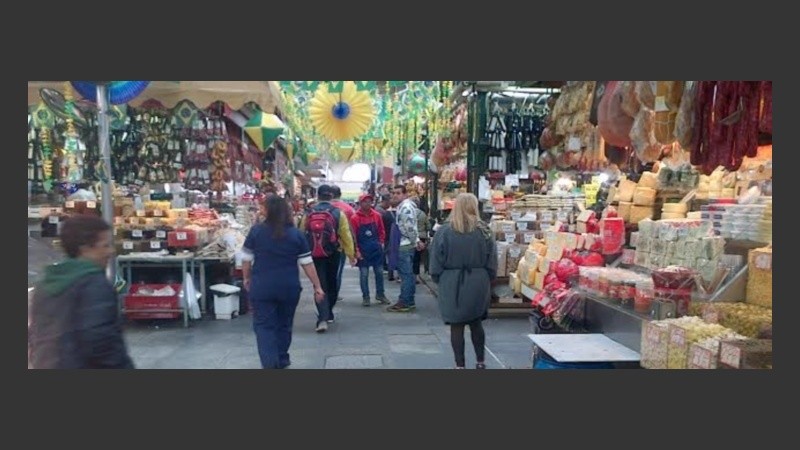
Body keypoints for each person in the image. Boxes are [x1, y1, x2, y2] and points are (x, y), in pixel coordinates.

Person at [28, 215, 134, 369]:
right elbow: (101, 342)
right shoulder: (94, 284)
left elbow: (35, 335)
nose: (111, 251)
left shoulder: (46, 282)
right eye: (105, 245)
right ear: (85, 248)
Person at [241, 196, 325, 368]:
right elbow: (307, 263)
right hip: (289, 287)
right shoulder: (296, 234)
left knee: (264, 326)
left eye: (263, 207)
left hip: (262, 286)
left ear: (269, 211)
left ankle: (270, 363)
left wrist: (246, 277)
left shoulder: (256, 231)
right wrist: (317, 286)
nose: (260, 210)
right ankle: (282, 359)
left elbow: (246, 259)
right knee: (284, 324)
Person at [429, 193, 498, 369]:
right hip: (478, 280)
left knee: (456, 325)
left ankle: (459, 365)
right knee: (476, 323)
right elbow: (492, 262)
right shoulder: (485, 231)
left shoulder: (444, 231)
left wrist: (440, 279)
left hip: (451, 281)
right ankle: (480, 361)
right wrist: (487, 278)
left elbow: (435, 262)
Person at [299, 185, 356, 331]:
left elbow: (301, 232)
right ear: (331, 196)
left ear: (318, 196)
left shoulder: (309, 212)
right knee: (332, 282)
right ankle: (328, 312)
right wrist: (351, 254)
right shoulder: (338, 213)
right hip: (333, 252)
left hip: (314, 254)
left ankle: (322, 317)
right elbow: (346, 235)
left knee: (319, 284)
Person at [387, 184, 423, 312]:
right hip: (406, 244)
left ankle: (405, 301)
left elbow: (410, 227)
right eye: (393, 193)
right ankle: (408, 300)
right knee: (408, 274)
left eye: (398, 193)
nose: (395, 195)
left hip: (405, 245)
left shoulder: (406, 207)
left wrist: (415, 241)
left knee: (406, 275)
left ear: (405, 194)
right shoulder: (403, 207)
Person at [350, 193, 389, 306]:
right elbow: (354, 236)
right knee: (364, 274)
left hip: (376, 249)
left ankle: (380, 295)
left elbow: (382, 231)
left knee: (380, 273)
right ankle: (366, 297)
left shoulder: (377, 216)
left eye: (369, 201)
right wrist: (356, 250)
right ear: (360, 203)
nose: (367, 203)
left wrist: (381, 242)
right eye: (365, 201)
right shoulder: (355, 218)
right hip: (363, 250)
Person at [330, 185, 356, 301]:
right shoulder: (348, 209)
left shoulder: (319, 207)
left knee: (322, 269)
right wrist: (352, 250)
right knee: (337, 270)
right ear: (340, 195)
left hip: (320, 245)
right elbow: (351, 230)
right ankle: (334, 294)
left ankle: (323, 292)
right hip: (339, 245)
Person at [375, 194, 396, 280]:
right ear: (385, 201)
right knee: (388, 254)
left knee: (388, 253)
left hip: (386, 236)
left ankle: (388, 270)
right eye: (389, 201)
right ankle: (386, 269)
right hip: (387, 236)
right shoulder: (382, 212)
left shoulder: (382, 211)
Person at [412, 197, 430, 284]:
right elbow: (428, 226)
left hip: (411, 237)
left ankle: (408, 275)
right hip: (421, 237)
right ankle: (415, 277)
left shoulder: (409, 213)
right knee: (417, 258)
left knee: (410, 257)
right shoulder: (423, 214)